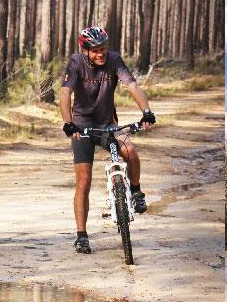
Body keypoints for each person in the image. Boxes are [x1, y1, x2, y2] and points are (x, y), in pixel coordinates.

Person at [60, 26, 156, 254]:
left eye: (103, 48)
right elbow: (65, 93)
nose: (100, 54)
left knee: (130, 151)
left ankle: (135, 192)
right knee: (83, 181)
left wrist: (147, 112)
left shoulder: (114, 60)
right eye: (95, 51)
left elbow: (132, 85)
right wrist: (67, 122)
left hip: (108, 124)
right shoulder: (75, 63)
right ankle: (81, 236)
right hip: (81, 127)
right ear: (84, 50)